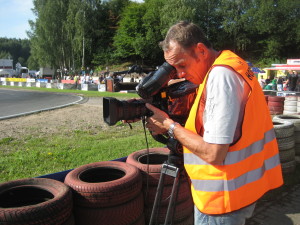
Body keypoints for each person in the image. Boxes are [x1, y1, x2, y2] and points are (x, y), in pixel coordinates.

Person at [144, 21, 283, 225]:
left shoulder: (220, 76)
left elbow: (214, 153)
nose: (181, 74)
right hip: (236, 190)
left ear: (200, 50)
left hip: (221, 199)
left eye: (182, 65)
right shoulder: (230, 64)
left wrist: (168, 125)